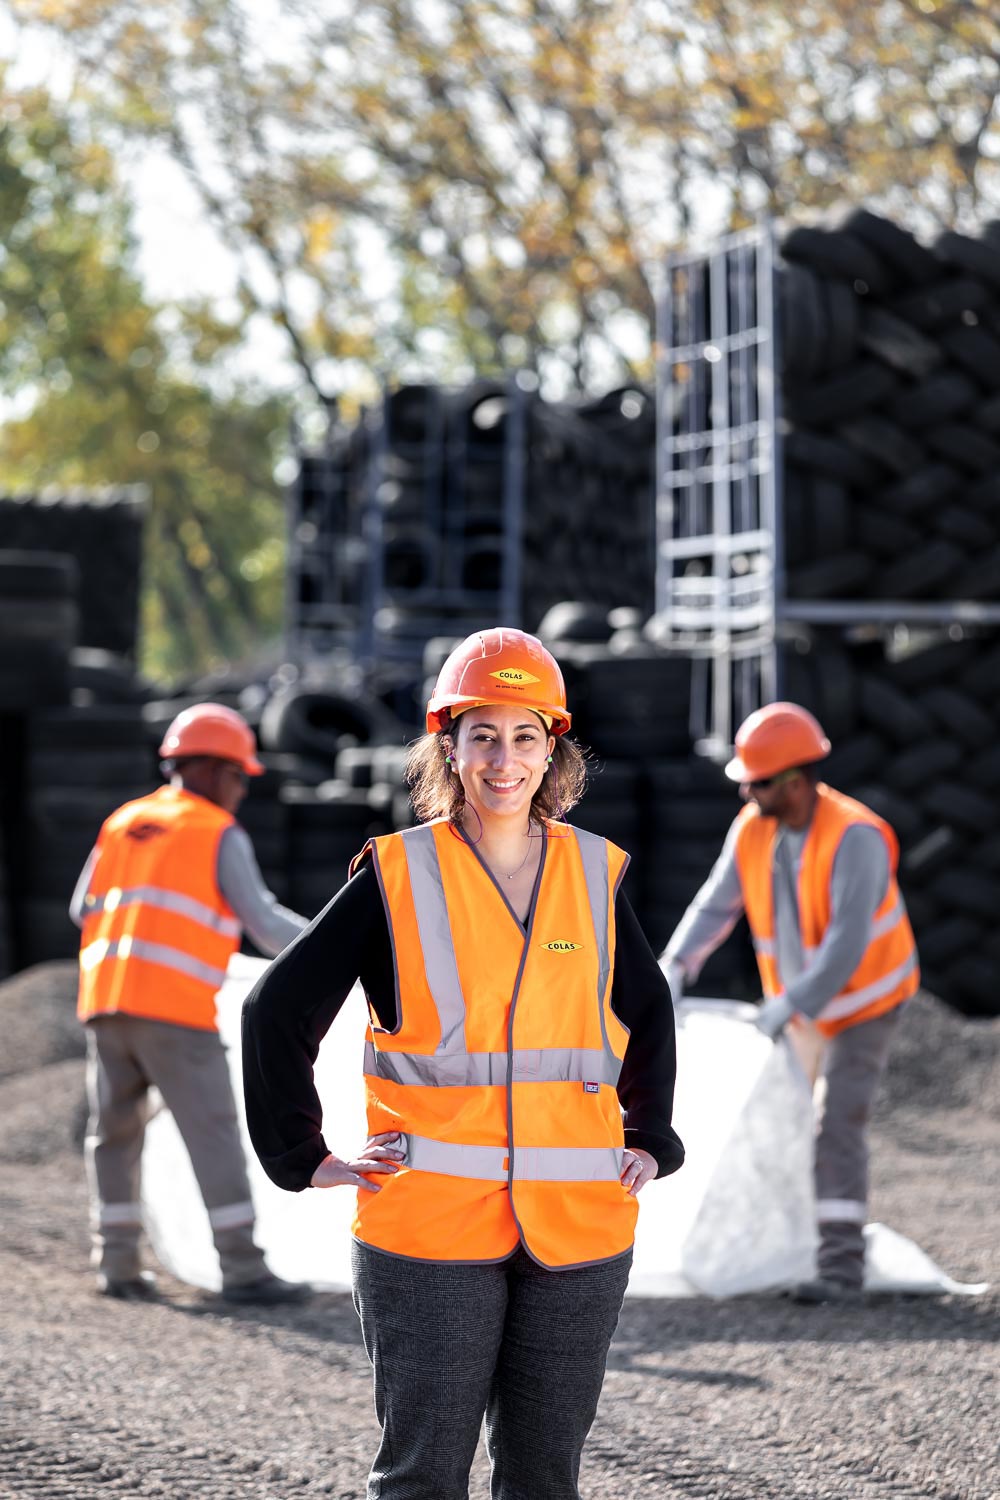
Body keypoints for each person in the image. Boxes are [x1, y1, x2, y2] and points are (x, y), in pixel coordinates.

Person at [242, 627, 684, 1500]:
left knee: (544, 1479)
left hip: (579, 1226)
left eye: (525, 736)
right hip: (429, 1229)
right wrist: (306, 1157)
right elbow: (276, 1009)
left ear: (552, 748)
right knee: (424, 1480)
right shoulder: (398, 874)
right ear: (450, 746)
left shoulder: (592, 874)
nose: (503, 760)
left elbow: (649, 1007)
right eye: (482, 736)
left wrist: (652, 1135)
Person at [662, 701, 919, 1305]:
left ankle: (840, 1268)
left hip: (865, 1003)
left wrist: (790, 1003)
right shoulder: (754, 829)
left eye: (755, 781)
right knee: (780, 1117)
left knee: (836, 1123)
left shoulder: (855, 837)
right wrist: (673, 966)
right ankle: (780, 1246)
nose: (746, 791)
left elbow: (847, 944)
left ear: (794, 781)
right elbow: (714, 905)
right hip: (802, 1005)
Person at [71, 701, 311, 1305]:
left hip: (105, 1003)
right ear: (208, 769)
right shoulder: (213, 830)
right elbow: (261, 922)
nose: (239, 790)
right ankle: (243, 1268)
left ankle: (117, 1262)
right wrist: (335, 946)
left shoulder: (123, 821)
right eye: (238, 776)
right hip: (173, 1011)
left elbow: (82, 909)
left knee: (114, 1133)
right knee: (214, 1133)